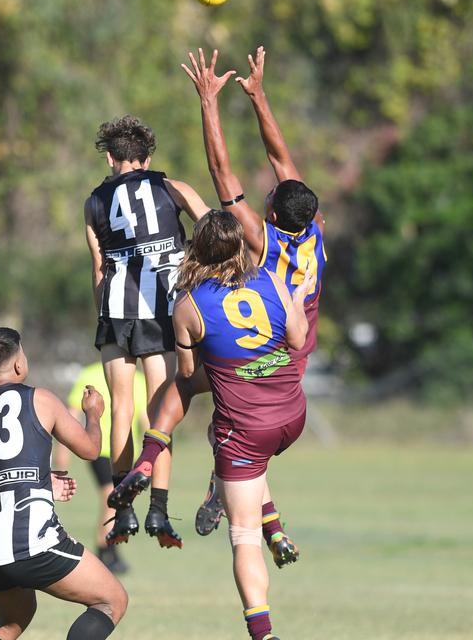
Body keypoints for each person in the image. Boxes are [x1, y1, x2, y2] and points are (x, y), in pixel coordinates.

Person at [110, 48, 324, 564]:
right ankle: (248, 507)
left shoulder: (260, 238)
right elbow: (282, 162)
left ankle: (149, 459)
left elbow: (221, 168)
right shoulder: (313, 228)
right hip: (291, 355)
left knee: (184, 386)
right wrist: (258, 97)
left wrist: (210, 101)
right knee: (233, 431)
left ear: (271, 209)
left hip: (256, 354)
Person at [172, 211, 312, 640]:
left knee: (240, 532)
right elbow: (297, 338)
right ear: (239, 247)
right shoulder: (271, 279)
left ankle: (263, 634)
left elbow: (188, 372)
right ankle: (275, 528)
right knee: (228, 439)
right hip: (292, 414)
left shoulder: (189, 305)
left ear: (196, 250)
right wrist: (300, 296)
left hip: (248, 430)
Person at [0, 327, 128, 640]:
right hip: (31, 541)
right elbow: (89, 449)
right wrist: (94, 415)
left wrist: (42, 486)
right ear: (19, 365)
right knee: (110, 600)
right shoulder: (40, 399)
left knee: (12, 620)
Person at [84, 115, 209, 547]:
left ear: (111, 157)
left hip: (117, 310)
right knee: (160, 412)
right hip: (163, 309)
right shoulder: (172, 187)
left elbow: (100, 271)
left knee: (121, 407)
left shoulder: (94, 202)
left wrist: (105, 314)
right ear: (148, 157)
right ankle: (158, 509)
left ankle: (122, 515)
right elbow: (215, 230)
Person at [52, 363, 149, 574]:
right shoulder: (90, 374)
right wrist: (63, 450)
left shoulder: (140, 380)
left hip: (125, 450)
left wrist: (150, 455)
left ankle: (110, 550)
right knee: (110, 496)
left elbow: (145, 420)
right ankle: (105, 551)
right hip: (99, 449)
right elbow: (73, 412)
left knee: (120, 500)